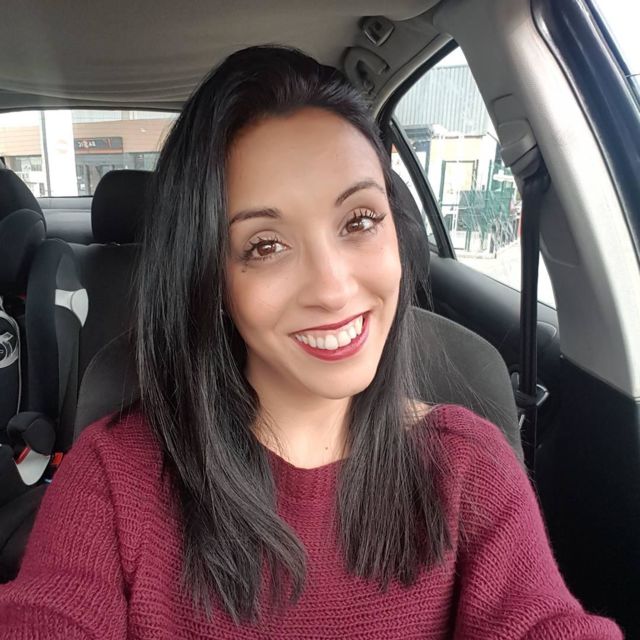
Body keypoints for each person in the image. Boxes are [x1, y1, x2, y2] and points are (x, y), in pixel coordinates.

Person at [0, 46, 623, 639]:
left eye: (359, 220)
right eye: (265, 245)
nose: (332, 287)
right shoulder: (112, 480)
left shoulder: (470, 470)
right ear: (212, 280)